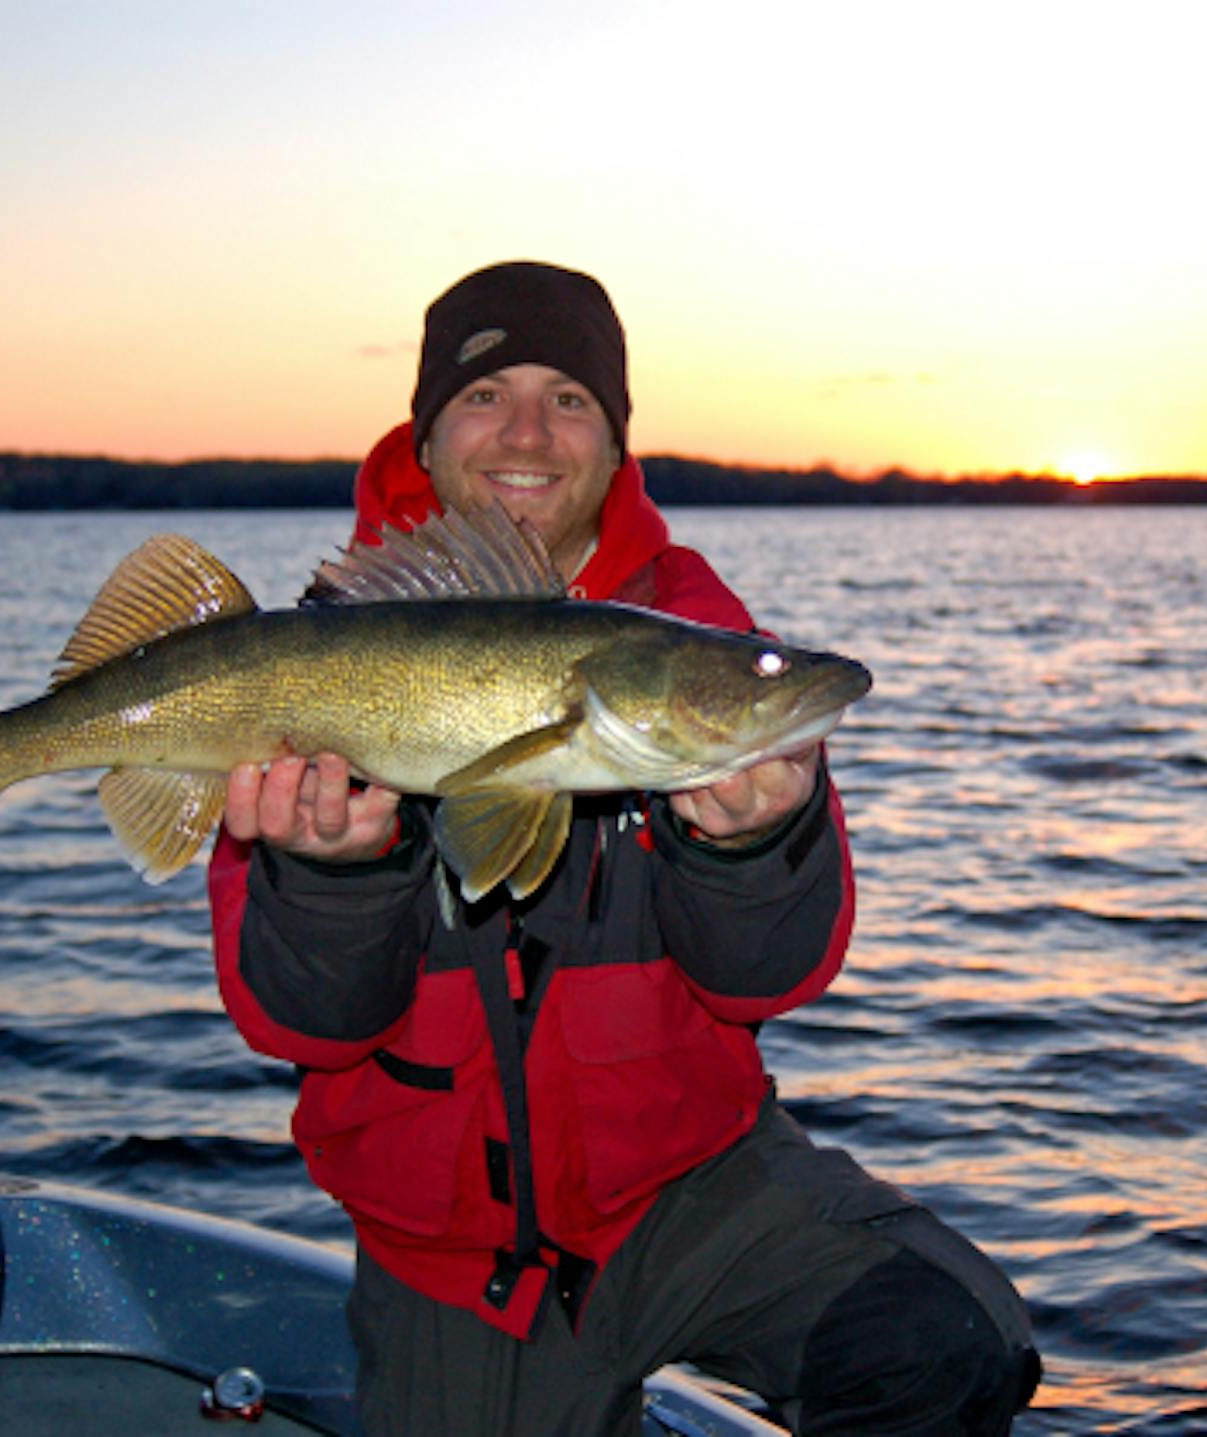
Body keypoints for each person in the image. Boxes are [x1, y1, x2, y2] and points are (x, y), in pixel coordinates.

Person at [209, 261, 1040, 1435]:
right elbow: (301, 1025)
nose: (529, 432)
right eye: (488, 394)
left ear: (614, 446)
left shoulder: (696, 649)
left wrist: (753, 849)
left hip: (689, 1187)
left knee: (944, 1341)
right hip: (454, 1255)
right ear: (427, 431)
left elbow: (769, 977)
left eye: (571, 400)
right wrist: (331, 872)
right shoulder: (324, 648)